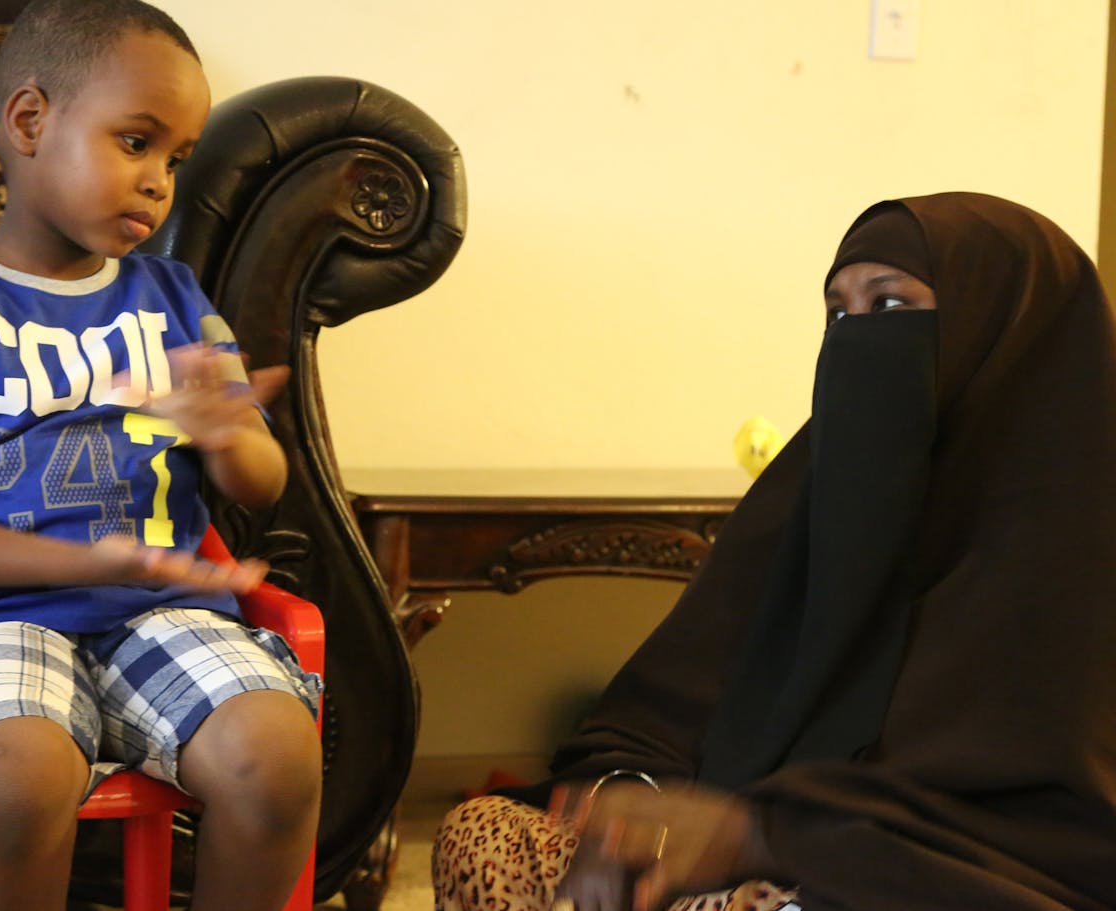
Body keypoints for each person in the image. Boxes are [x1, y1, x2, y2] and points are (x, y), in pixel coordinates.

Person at [432, 192, 1116, 911]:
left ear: (1001, 331)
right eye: (839, 314)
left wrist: (769, 835)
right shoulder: (820, 485)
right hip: (741, 853)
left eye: (888, 309)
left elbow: (1049, 833)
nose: (857, 340)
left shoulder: (1073, 544)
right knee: (486, 832)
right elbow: (653, 717)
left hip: (918, 883)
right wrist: (636, 808)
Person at [0, 2, 323, 910]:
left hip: (157, 613)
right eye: (136, 142)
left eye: (175, 158)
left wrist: (232, 433)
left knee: (278, 754)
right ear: (29, 121)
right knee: (19, 774)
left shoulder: (173, 297)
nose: (160, 182)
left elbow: (263, 484)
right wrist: (90, 558)